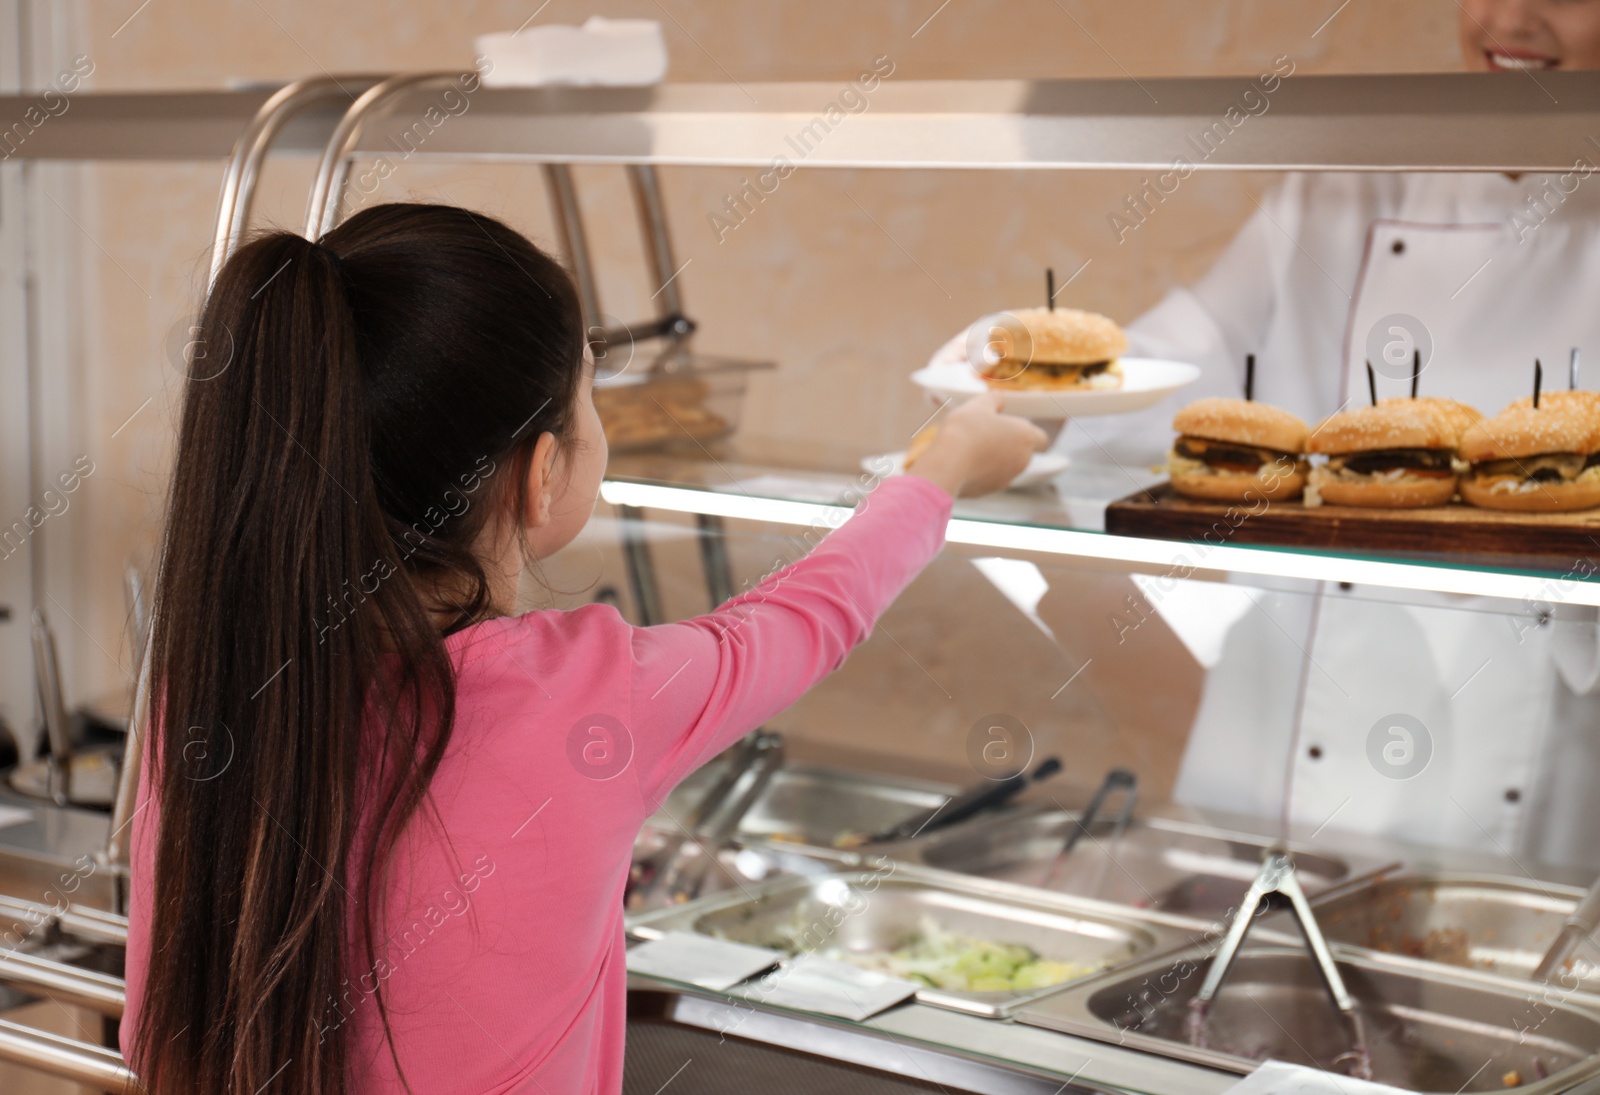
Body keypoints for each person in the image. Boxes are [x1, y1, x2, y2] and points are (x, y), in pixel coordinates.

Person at [119, 203, 1046, 1094]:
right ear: (543, 472)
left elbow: (152, 1035)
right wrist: (946, 464)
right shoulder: (592, 695)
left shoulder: (209, 688)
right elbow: (811, 615)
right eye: (587, 399)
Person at [941, 0, 1600, 869]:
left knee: (1464, 982)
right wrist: (1029, 376)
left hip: (1516, 751)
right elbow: (1191, 359)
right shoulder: (1351, 181)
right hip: (1282, 720)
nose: (1509, 18)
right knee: (1228, 978)